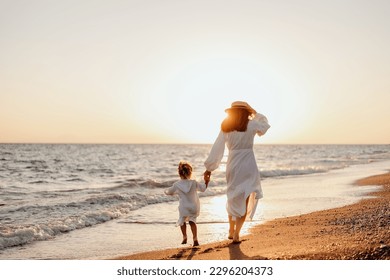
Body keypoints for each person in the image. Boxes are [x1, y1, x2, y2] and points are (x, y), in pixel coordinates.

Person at [203, 101, 270, 243]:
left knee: (232, 197)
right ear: (246, 112)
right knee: (245, 198)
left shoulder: (226, 127)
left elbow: (217, 149)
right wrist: (255, 111)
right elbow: (265, 125)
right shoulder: (252, 124)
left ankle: (231, 230)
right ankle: (237, 234)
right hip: (249, 164)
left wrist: (209, 169)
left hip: (233, 164)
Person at [165, 161, 208, 246]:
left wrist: (166, 191)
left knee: (182, 221)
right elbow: (203, 189)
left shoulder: (177, 184)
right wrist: (207, 181)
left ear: (179, 173)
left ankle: (184, 237)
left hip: (184, 207)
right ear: (190, 172)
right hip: (193, 206)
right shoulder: (194, 182)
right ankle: (195, 238)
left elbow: (169, 192)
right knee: (192, 222)